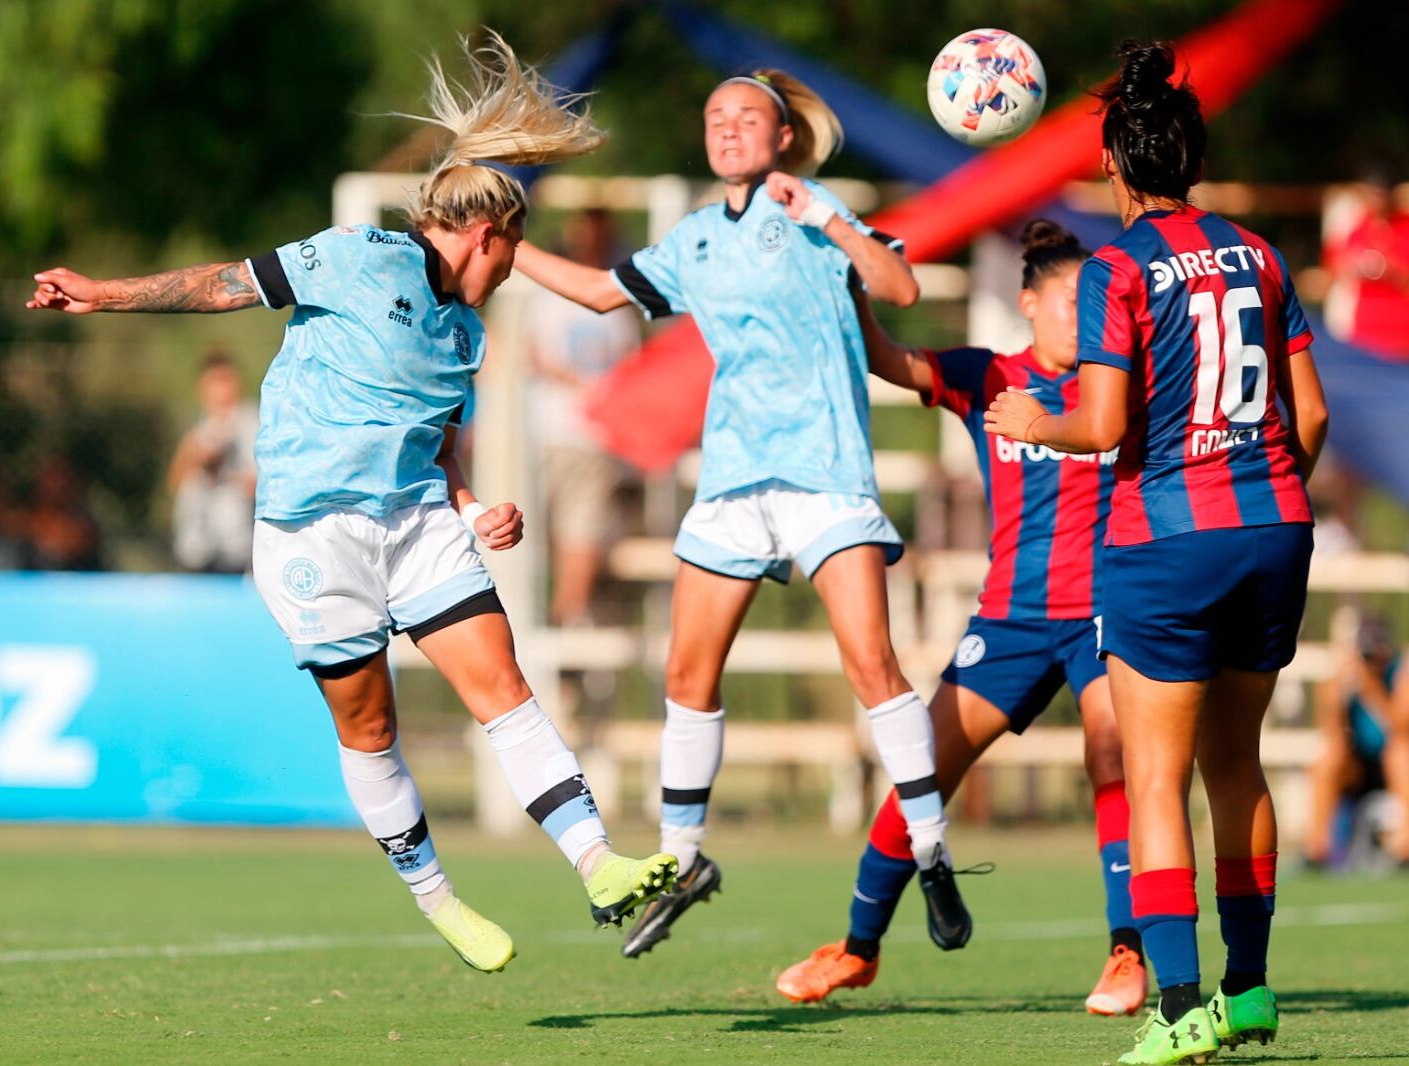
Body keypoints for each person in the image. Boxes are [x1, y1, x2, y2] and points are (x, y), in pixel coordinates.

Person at [26, 33, 676, 975]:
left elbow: (438, 445)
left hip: (416, 526)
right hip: (311, 533)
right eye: (512, 253)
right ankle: (439, 899)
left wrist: (471, 508)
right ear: (488, 236)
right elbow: (226, 284)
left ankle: (599, 865)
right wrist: (104, 294)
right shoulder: (355, 256)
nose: (512, 272)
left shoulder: (466, 334)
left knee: (505, 689)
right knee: (370, 727)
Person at [515, 68, 968, 961]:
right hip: (733, 481)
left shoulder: (816, 214)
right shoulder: (693, 240)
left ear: (783, 136)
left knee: (870, 662)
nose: (727, 128)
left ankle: (930, 847)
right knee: (688, 671)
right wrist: (504, 244)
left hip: (825, 473)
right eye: (715, 116)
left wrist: (828, 218)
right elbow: (603, 292)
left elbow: (902, 291)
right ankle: (681, 862)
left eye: (746, 117)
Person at [986, 42, 1329, 1065]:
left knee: (1153, 778)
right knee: (1238, 763)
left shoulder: (1116, 268)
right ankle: (1248, 988)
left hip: (1167, 540)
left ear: (1110, 163)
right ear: (1195, 157)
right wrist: (1263, 497)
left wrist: (1029, 418)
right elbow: (1311, 415)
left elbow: (1099, 425)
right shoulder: (1260, 254)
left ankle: (1178, 1009)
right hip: (1275, 527)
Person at [776, 221, 1147, 1017]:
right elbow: (888, 360)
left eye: (1097, 303)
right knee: (924, 772)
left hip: (1104, 614)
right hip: (1011, 621)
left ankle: (1128, 953)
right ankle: (858, 948)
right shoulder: (988, 376)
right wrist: (853, 290)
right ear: (1027, 303)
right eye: (1071, 300)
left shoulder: (1118, 384)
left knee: (1111, 753)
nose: (1086, 317)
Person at [522, 209, 641, 626]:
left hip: (570, 433)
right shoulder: (616, 305)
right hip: (575, 432)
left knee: (572, 532)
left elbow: (533, 355)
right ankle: (566, 618)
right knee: (574, 532)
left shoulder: (546, 296)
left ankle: (564, 618)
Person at [1307, 614, 1409, 869]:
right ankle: (1317, 850)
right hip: (1361, 765)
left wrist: (1374, 692)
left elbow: (1404, 730)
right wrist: (1337, 697)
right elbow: (1332, 733)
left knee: (1401, 752)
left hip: (1407, 765)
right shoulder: (1346, 676)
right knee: (1329, 757)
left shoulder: (1405, 674)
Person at [1322, 165, 1409, 365]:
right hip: (1360, 343)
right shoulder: (1354, 225)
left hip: (1406, 345)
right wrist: (1354, 266)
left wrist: (1396, 272)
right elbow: (1332, 270)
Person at [169, 350, 259, 574]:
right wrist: (197, 459)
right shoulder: (199, 427)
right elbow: (175, 482)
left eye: (225, 381)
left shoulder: (252, 423)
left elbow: (262, 483)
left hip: (237, 548)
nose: (220, 390)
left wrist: (226, 473)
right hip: (196, 548)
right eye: (214, 382)